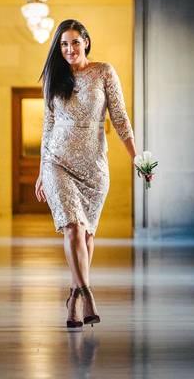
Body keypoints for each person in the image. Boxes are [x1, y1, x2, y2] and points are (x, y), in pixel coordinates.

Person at [35, 19, 137, 328]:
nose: (69, 49)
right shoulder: (54, 76)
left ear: (86, 42)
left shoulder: (104, 71)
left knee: (87, 233)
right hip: (57, 161)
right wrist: (42, 169)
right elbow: (48, 124)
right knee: (72, 228)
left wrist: (136, 157)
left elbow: (119, 117)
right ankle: (88, 293)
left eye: (75, 42)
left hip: (94, 165)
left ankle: (74, 297)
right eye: (63, 44)